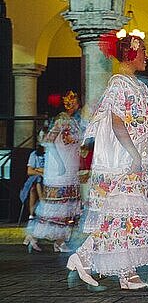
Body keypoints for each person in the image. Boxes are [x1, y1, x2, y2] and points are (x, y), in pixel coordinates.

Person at [66, 31, 148, 290]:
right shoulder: (119, 84)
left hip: (137, 161)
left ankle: (87, 258)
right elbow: (117, 123)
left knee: (125, 216)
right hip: (122, 161)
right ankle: (123, 272)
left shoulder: (138, 86)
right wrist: (133, 154)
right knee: (122, 215)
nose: (147, 55)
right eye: (142, 50)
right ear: (130, 54)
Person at [25, 91, 82, 254]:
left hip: (70, 168)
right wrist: (59, 162)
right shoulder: (62, 120)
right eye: (76, 102)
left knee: (66, 208)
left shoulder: (72, 121)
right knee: (57, 207)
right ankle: (36, 236)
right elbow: (48, 141)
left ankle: (58, 240)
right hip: (60, 171)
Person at [19, 144, 44, 221]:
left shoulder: (52, 154)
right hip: (36, 179)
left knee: (35, 186)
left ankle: (35, 211)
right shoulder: (34, 154)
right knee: (33, 187)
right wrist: (41, 172)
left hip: (49, 179)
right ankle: (35, 210)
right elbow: (30, 171)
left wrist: (37, 169)